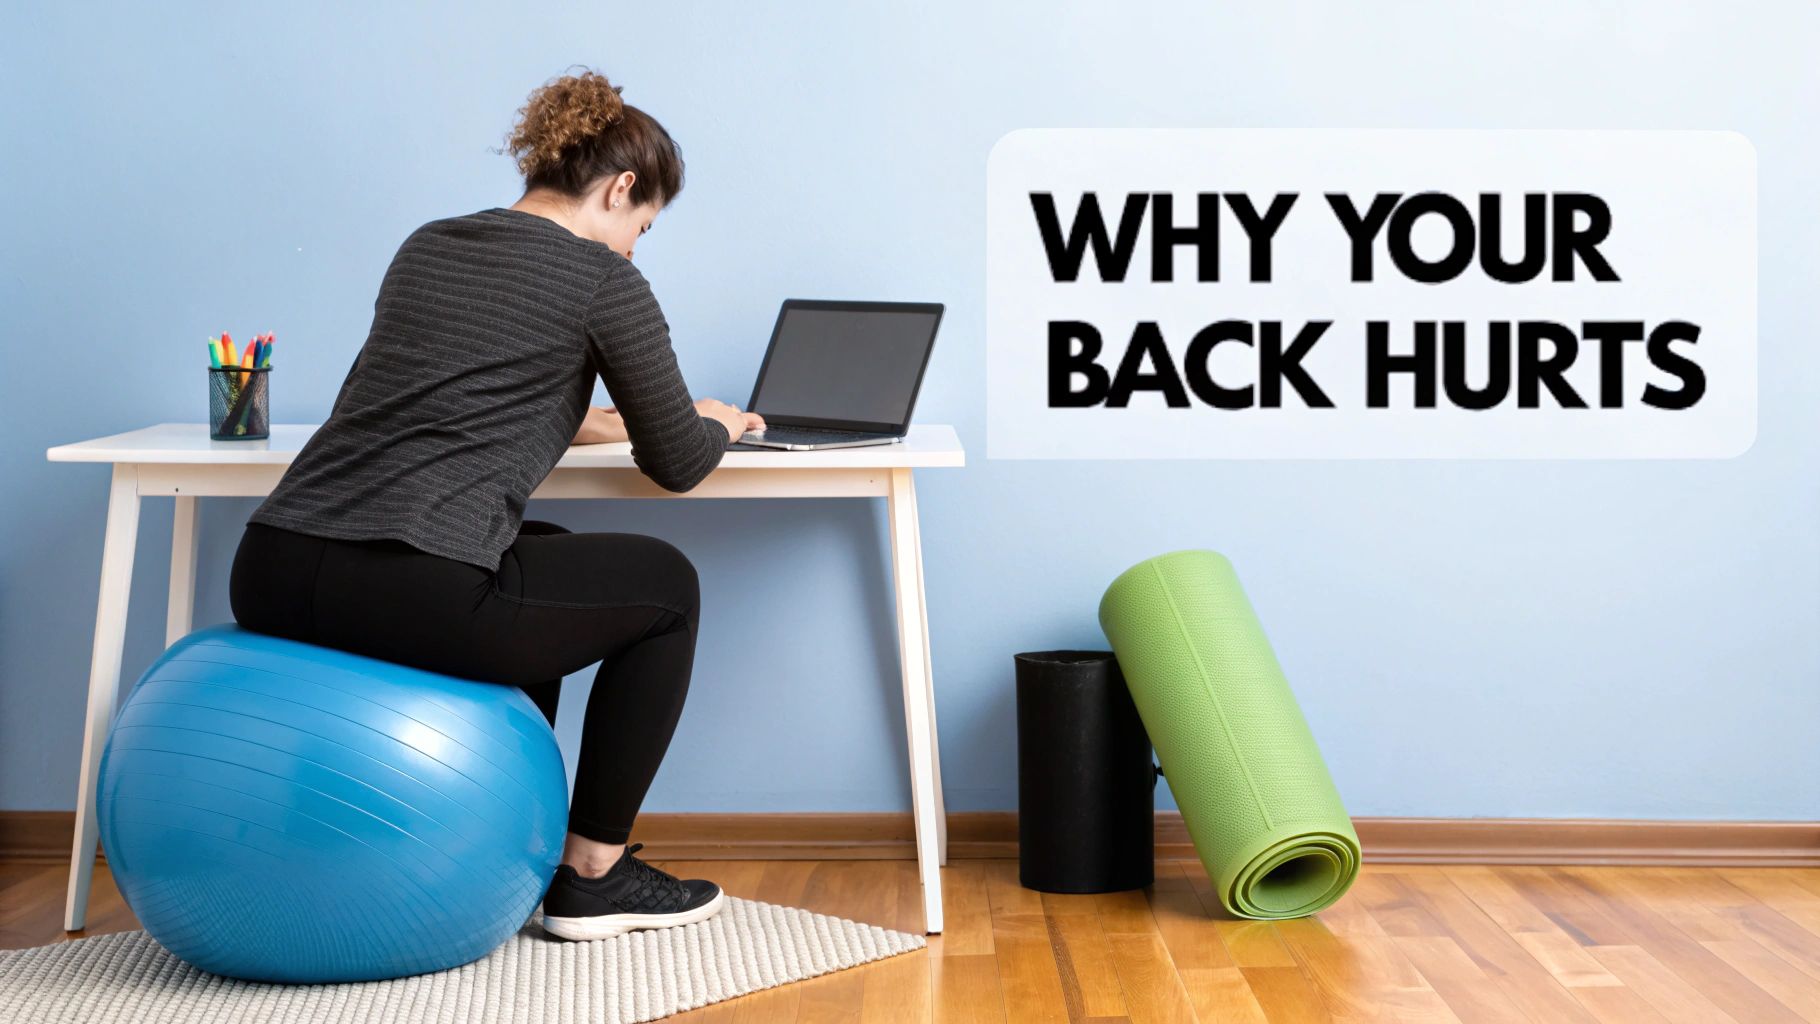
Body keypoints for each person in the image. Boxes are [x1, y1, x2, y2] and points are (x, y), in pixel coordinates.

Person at [228, 68, 762, 942]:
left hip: (275, 563)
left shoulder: (430, 243)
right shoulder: (604, 279)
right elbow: (676, 464)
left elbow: (469, 395)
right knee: (668, 588)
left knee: (539, 548)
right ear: (621, 188)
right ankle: (592, 874)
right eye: (643, 227)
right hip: (411, 582)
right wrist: (718, 424)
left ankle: (499, 843)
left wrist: (612, 419)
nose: (635, 248)